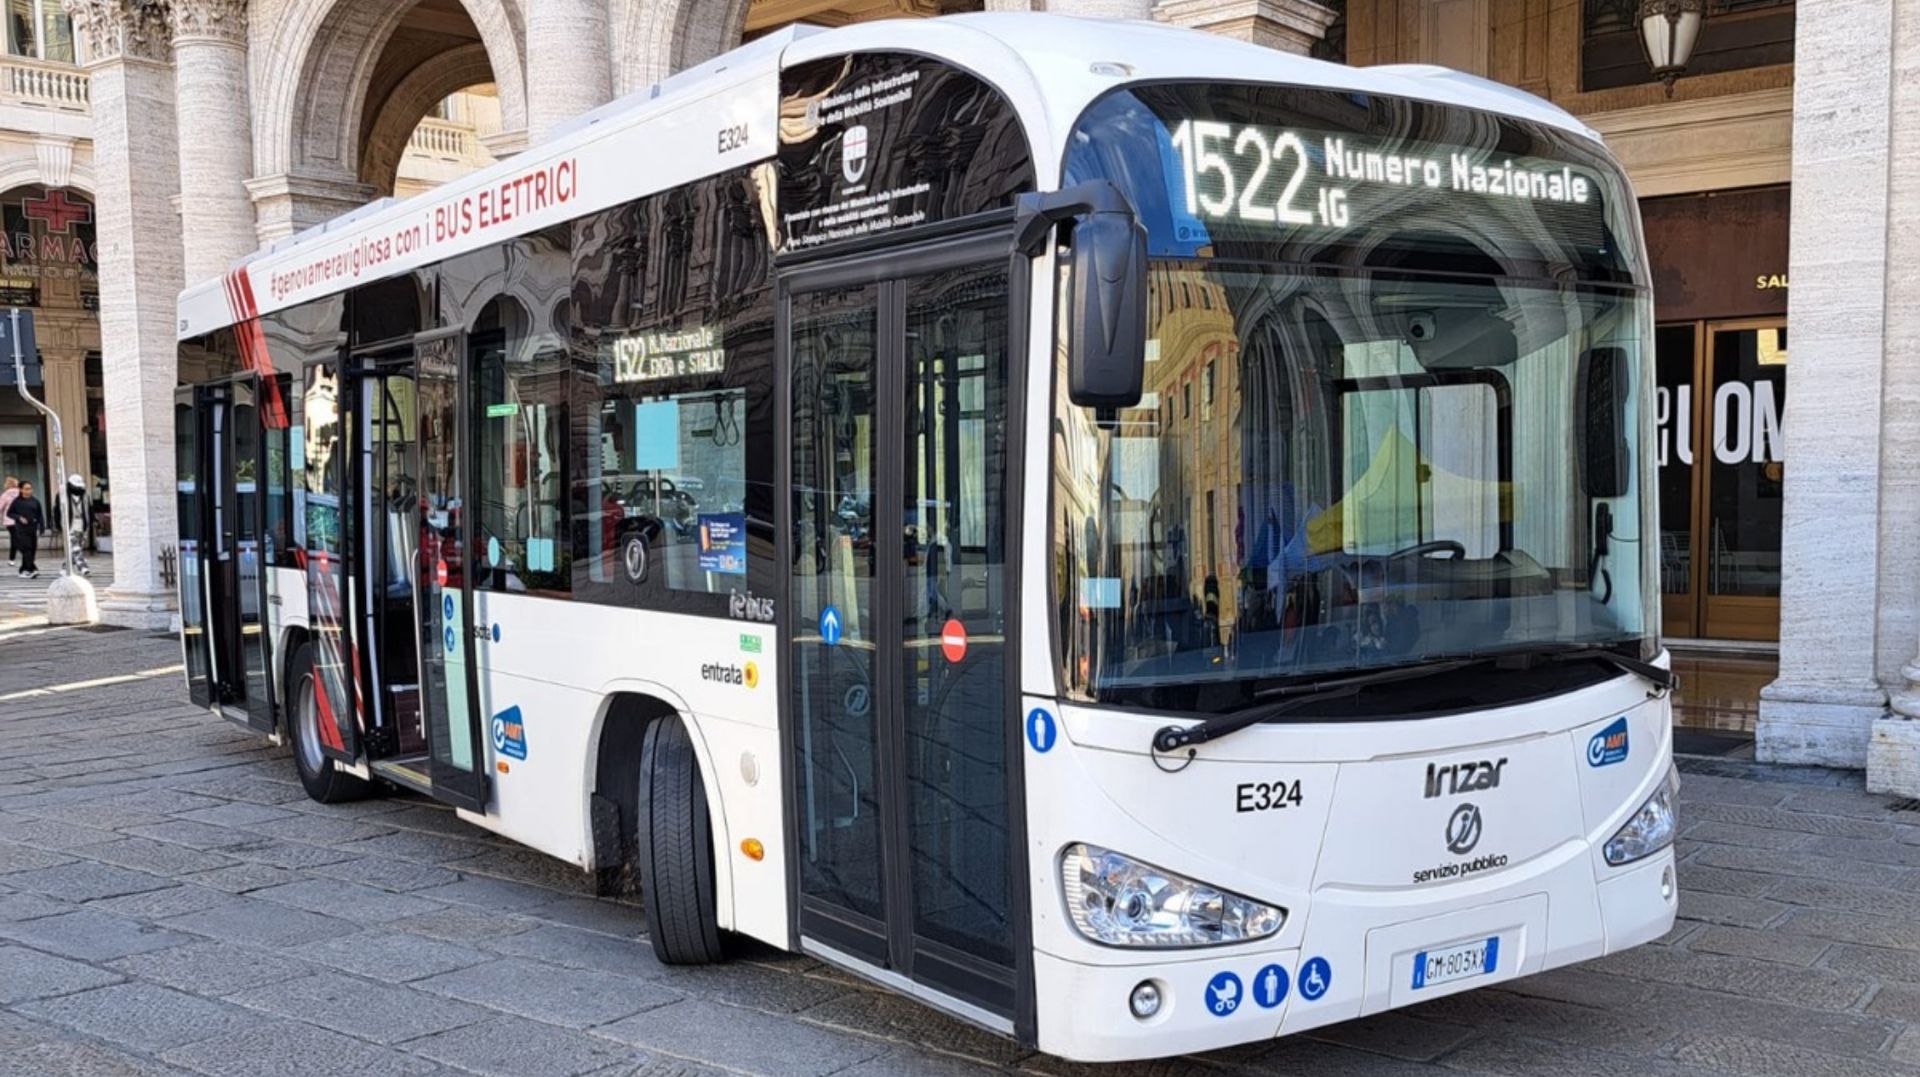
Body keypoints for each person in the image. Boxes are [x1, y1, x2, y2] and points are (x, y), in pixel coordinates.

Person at [11, 479, 43, 577]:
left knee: (33, 549)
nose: (29, 491)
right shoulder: (16, 502)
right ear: (21, 490)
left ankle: (24, 569)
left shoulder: (35, 501)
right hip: (21, 530)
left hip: (32, 529)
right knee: (27, 549)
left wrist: (42, 526)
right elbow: (10, 513)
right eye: (26, 489)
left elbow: (40, 515)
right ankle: (30, 569)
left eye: (30, 489)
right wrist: (19, 518)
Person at [0, 476, 16, 564]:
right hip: (21, 520)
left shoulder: (5, 495)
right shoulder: (21, 493)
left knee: (14, 539)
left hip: (9, 521)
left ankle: (12, 559)